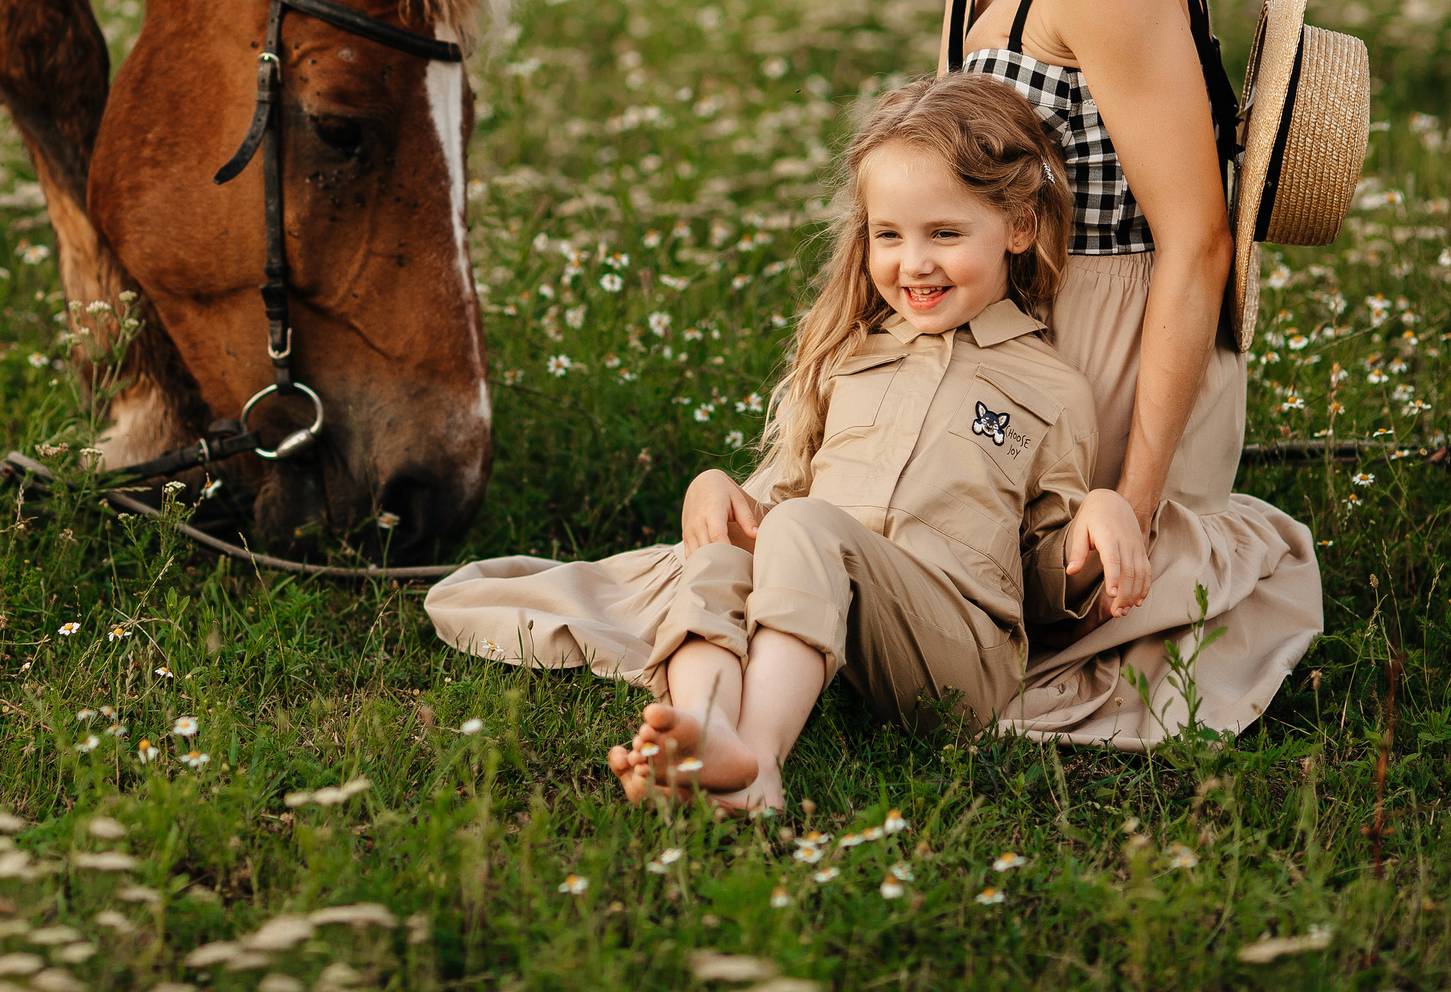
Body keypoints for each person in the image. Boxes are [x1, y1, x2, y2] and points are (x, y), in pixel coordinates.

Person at [804, 0, 1320, 745]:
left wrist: (1130, 501)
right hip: (1010, 307)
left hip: (1108, 337)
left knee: (882, 578)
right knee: (822, 537)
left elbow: (1196, 239)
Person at [427, 75, 1149, 810]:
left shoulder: (1051, 386)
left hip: (954, 654)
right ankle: (705, 727)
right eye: (889, 235)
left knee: (806, 527)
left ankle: (758, 760)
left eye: (945, 234)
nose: (913, 263)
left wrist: (1099, 516)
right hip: (826, 616)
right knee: (727, 545)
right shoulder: (850, 353)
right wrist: (716, 489)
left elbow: (1042, 587)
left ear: (1019, 227)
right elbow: (782, 502)